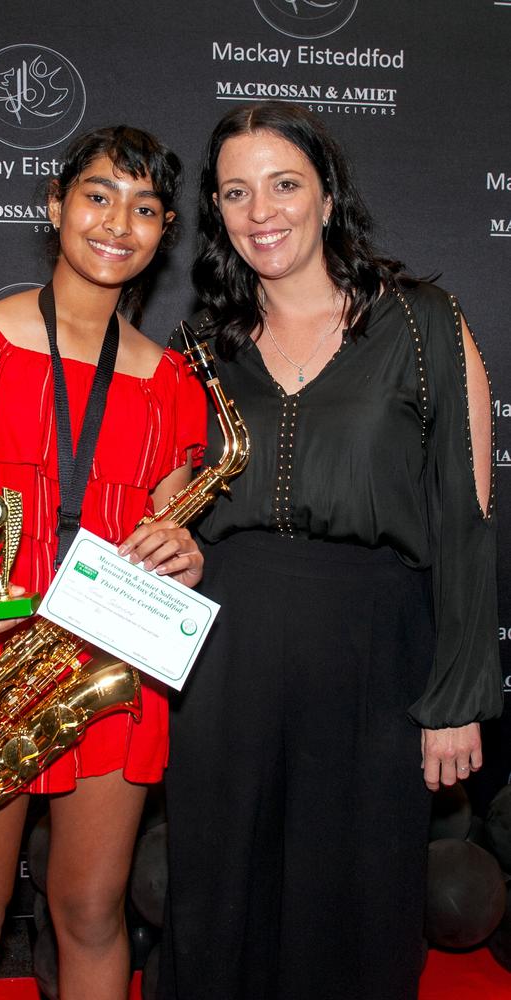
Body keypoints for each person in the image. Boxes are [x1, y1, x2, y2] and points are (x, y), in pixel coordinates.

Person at [159, 102, 503, 1000]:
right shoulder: (200, 346)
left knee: (351, 897)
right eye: (236, 192)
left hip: (373, 655)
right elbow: (174, 501)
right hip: (224, 654)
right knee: (220, 887)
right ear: (218, 212)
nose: (261, 210)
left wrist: (455, 698)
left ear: (327, 196)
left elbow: (465, 524)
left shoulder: (423, 323)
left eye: (284, 184)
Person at [0, 125, 206, 1000]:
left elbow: (169, 529)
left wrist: (184, 553)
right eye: (98, 195)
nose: (118, 223)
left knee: (94, 914)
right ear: (56, 206)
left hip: (108, 665)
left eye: (144, 208)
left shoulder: (171, 382)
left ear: (164, 229)